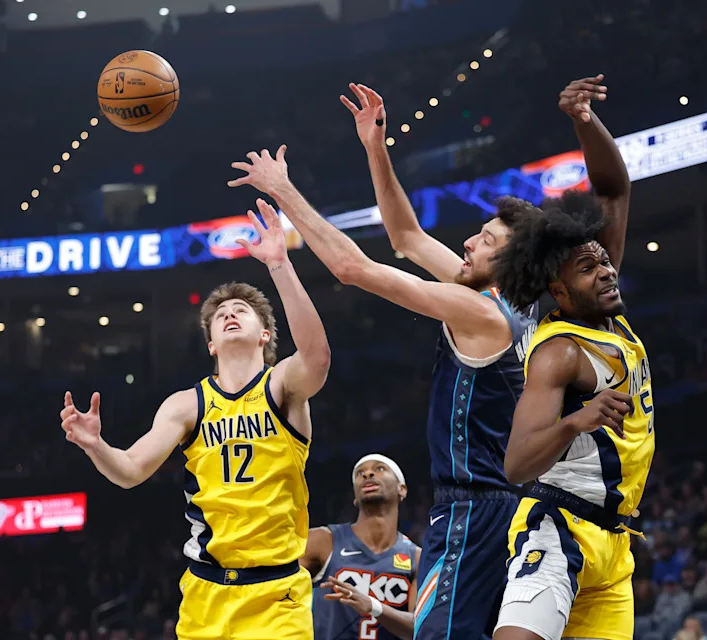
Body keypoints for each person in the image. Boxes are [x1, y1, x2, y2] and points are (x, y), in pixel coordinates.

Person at [227, 75, 628, 639]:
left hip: (474, 513)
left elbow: (353, 268)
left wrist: (283, 191)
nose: (468, 243)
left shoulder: (483, 314)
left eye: (485, 240)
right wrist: (375, 147)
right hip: (510, 508)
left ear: (508, 263)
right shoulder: (509, 307)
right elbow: (406, 236)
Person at [59, 200, 331, 640]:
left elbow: (317, 357)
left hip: (277, 593)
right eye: (220, 315)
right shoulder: (186, 405)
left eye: (241, 310)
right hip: (206, 594)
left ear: (264, 335)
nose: (229, 314)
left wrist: (279, 264)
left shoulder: (283, 385)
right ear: (210, 345)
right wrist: (96, 446)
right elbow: (130, 470)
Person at [489, 96, 646, 638]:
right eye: (589, 266)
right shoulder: (559, 351)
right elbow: (516, 464)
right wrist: (577, 420)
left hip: (615, 546)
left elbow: (614, 191)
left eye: (604, 260)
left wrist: (584, 118)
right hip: (559, 526)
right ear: (559, 290)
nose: (605, 270)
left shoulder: (602, 305)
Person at [303, 454, 421, 640]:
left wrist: (374, 606)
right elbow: (277, 587)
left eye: (379, 468)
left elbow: (419, 628)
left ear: (402, 489)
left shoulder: (417, 558)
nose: (367, 474)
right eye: (360, 473)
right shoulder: (323, 540)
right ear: (355, 497)